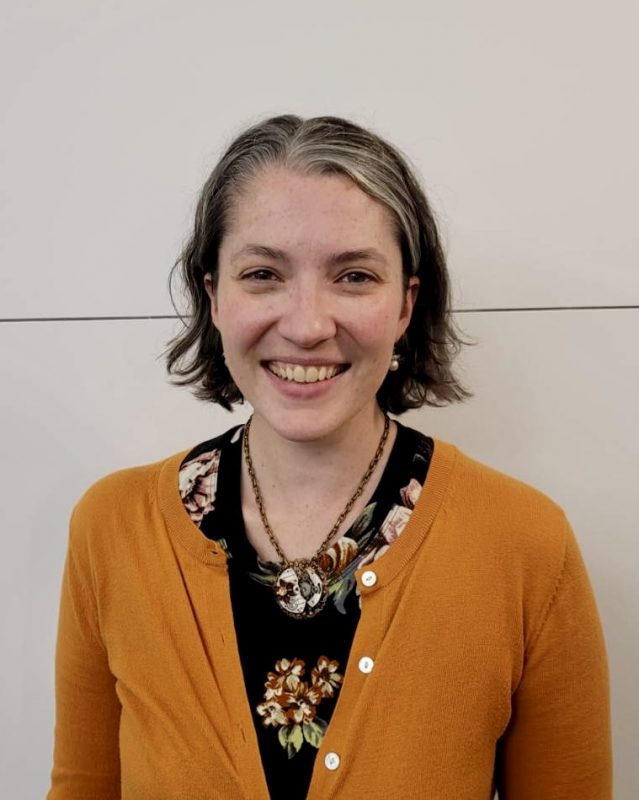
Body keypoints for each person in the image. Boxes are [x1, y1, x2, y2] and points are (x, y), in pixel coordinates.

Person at [48, 115, 612, 800]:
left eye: (353, 276)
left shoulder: (523, 542)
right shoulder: (112, 528)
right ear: (214, 297)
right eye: (262, 274)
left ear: (406, 304)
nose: (309, 324)